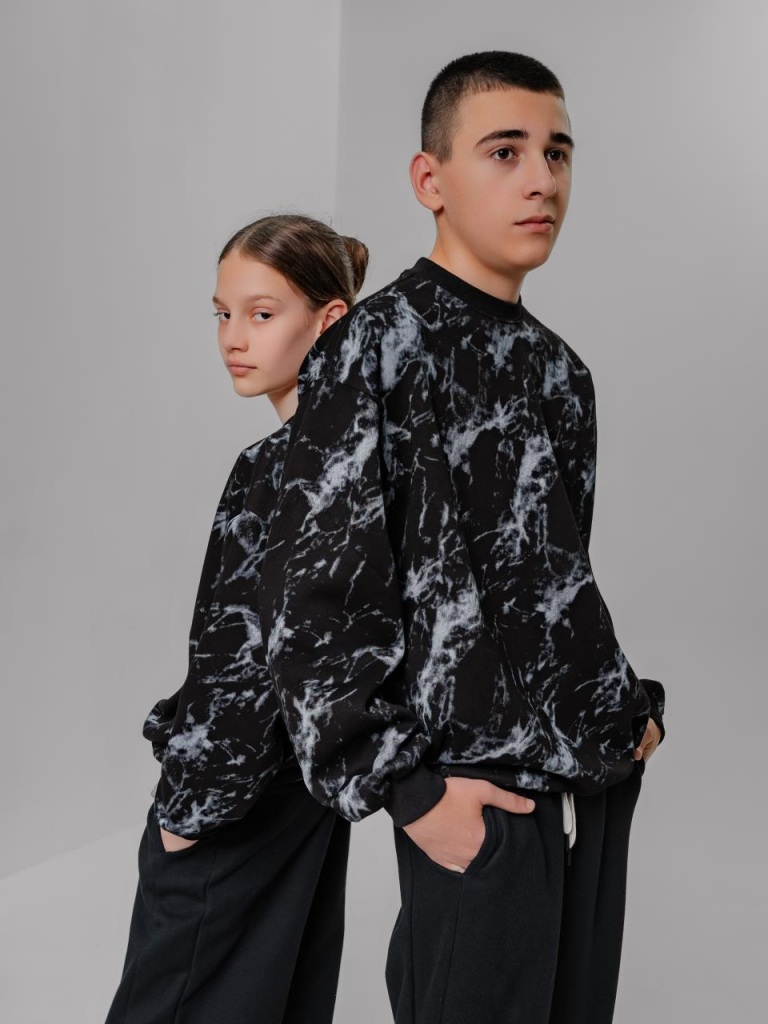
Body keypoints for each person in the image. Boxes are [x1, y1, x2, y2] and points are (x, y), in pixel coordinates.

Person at [258, 52, 667, 1024]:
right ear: (430, 179)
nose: (541, 180)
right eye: (505, 151)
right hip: (471, 796)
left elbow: (548, 582)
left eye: (557, 153)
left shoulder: (561, 373)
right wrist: (408, 791)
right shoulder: (372, 346)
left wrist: (621, 708)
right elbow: (308, 595)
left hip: (588, 777)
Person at [105, 214, 369, 1024]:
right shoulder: (359, 453)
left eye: (262, 313)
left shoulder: (286, 467)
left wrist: (190, 810)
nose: (233, 337)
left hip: (241, 796)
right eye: (223, 313)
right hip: (306, 790)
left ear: (328, 320)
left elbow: (253, 656)